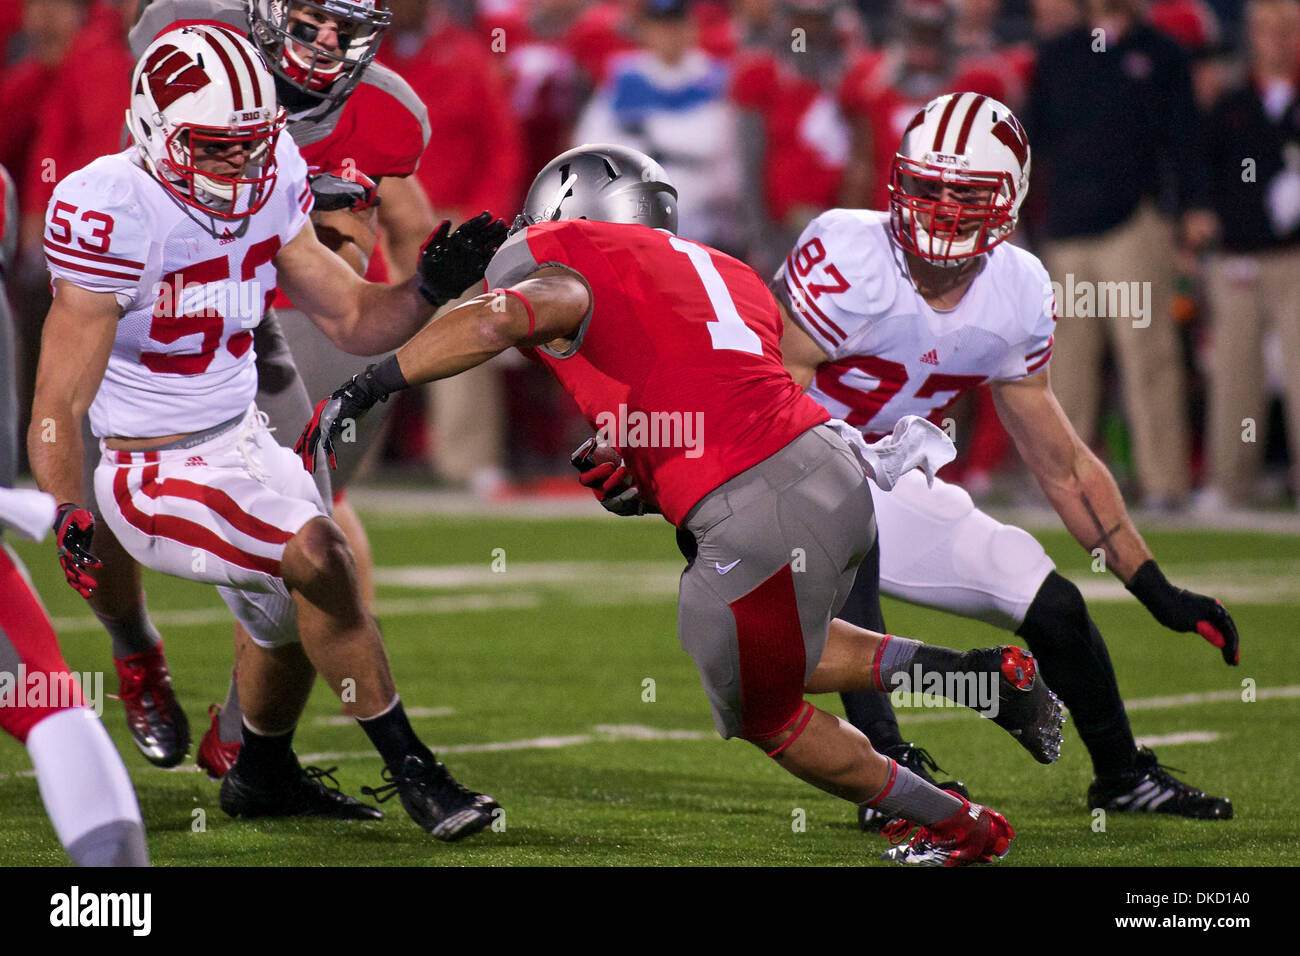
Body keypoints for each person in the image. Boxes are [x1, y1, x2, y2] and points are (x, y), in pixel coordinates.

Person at [298, 143, 1069, 866]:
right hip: (835, 471)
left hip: (755, 499)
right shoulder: (728, 274)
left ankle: (961, 827)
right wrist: (648, 466)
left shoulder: (566, 255)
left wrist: (371, 384)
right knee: (784, 649)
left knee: (767, 716)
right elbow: (709, 389)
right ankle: (978, 676)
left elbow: (508, 315)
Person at [29, 24, 507, 841]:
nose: (239, 167)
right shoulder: (108, 206)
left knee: (291, 620)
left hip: (243, 437)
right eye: (217, 149)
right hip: (151, 468)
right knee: (319, 557)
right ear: (154, 128)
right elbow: (57, 402)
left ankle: (261, 771)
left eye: (252, 146)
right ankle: (414, 770)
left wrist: (428, 287)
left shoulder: (272, 169)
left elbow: (356, 317)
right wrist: (70, 505)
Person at [763, 92, 1236, 827]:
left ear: (1009, 201)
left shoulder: (1017, 289)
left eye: (966, 194)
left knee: (1050, 601)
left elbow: (1062, 462)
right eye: (927, 188)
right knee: (842, 519)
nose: (940, 211)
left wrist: (1153, 586)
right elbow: (765, 399)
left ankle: (1122, 777)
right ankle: (886, 771)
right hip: (791, 461)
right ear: (897, 181)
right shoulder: (847, 253)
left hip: (895, 474)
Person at [119, 0, 440, 777]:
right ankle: (139, 656)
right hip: (183, 314)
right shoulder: (195, 39)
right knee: (104, 502)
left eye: (347, 26)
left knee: (308, 534)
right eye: (311, 19)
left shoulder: (389, 111)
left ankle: (248, 739)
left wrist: (425, 306)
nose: (328, 42)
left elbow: (412, 223)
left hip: (315, 323)